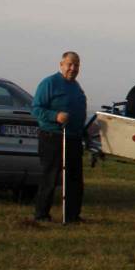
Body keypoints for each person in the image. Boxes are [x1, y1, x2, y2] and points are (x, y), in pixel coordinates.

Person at [31, 51, 88, 224]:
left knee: (74, 179)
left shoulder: (76, 87)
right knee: (50, 177)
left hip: (73, 138)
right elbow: (36, 108)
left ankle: (72, 216)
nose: (73, 68)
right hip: (53, 136)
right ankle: (41, 214)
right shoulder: (49, 83)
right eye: (70, 64)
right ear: (61, 64)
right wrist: (55, 116)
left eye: (76, 65)